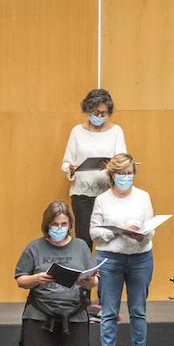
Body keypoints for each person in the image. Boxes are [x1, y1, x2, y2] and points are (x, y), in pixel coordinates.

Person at [15, 201, 98, 346]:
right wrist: (37, 279)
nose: (59, 228)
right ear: (47, 225)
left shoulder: (81, 247)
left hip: (75, 316)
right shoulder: (34, 247)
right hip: (40, 315)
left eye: (64, 224)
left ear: (70, 224)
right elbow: (20, 279)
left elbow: (95, 279)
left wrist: (88, 281)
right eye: (55, 224)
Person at [89, 154, 155, 346]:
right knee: (108, 309)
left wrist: (141, 234)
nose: (125, 177)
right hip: (110, 258)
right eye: (121, 174)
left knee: (138, 308)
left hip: (140, 257)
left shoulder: (143, 197)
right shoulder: (102, 199)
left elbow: (151, 228)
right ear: (112, 175)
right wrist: (116, 231)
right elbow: (94, 231)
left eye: (129, 173)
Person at [61, 88, 128, 259]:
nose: (99, 116)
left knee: (108, 240)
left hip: (108, 194)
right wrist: (71, 168)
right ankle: (83, 284)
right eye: (96, 112)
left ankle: (105, 284)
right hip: (82, 194)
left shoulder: (116, 131)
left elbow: (123, 163)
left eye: (103, 113)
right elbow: (66, 163)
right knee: (83, 241)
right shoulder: (77, 131)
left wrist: (112, 165)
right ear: (88, 109)